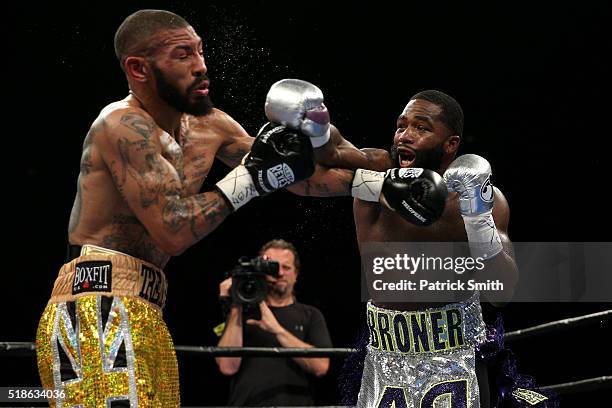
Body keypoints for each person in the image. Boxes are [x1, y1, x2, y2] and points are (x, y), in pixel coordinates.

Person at [35, 9, 343, 407]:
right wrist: (252, 178)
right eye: (183, 55)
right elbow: (174, 231)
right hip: (97, 305)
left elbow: (294, 173)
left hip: (146, 307)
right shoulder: (122, 125)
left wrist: (381, 181)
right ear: (138, 68)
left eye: (200, 51)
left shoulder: (209, 125)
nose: (200, 65)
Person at [288, 90, 552, 407]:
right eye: (402, 126)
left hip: (456, 356)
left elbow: (502, 292)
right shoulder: (375, 182)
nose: (405, 136)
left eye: (421, 128)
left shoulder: (483, 199)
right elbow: (319, 166)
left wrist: (477, 216)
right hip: (384, 357)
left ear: (451, 144)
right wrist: (314, 129)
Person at [216, 239, 332, 406]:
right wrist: (236, 304)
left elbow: (321, 366)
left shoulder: (310, 315)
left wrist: (277, 330)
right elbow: (227, 367)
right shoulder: (242, 313)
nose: (280, 273)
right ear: (260, 270)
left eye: (286, 267)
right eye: (273, 266)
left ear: (296, 274)